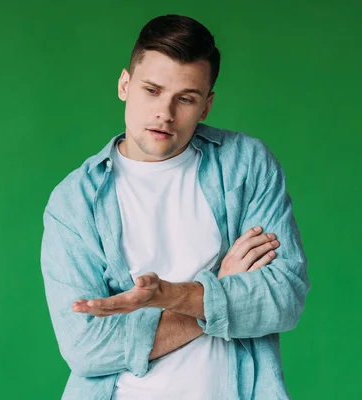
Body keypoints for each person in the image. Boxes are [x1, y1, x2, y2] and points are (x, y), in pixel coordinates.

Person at [40, 14, 310, 400]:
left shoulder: (246, 165)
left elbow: (284, 297)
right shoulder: (74, 203)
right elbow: (87, 350)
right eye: (152, 90)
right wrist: (218, 291)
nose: (164, 113)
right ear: (124, 85)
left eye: (185, 99)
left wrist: (173, 296)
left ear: (206, 106)